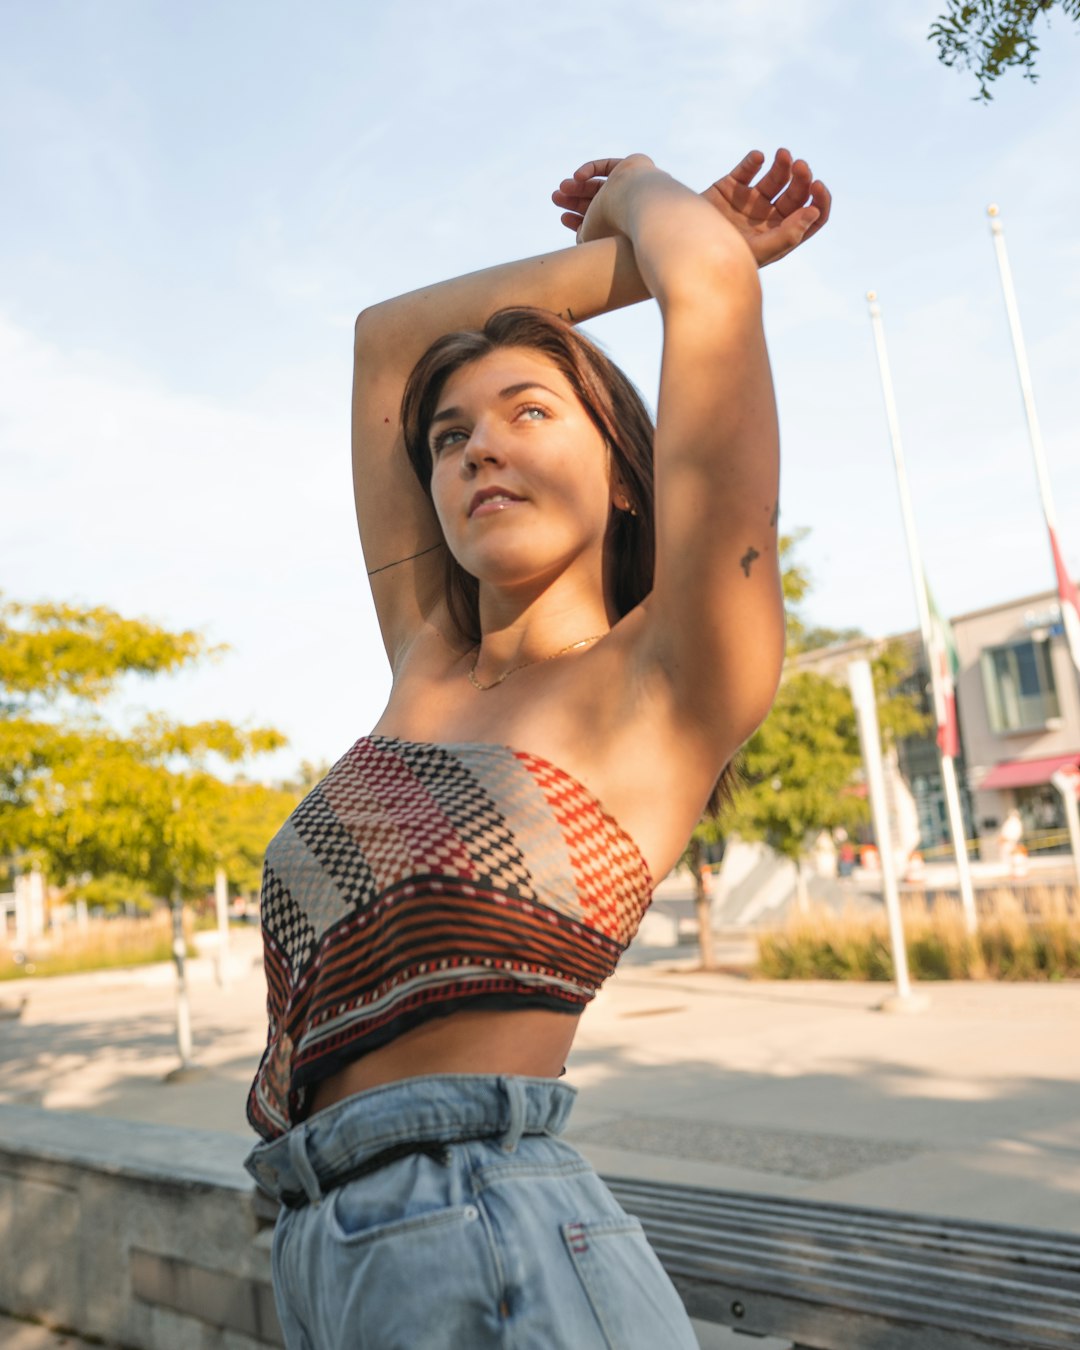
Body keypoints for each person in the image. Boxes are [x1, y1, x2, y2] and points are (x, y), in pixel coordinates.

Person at [244, 147, 830, 1348]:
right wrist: (623, 264)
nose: (475, 450)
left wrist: (645, 196)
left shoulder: (668, 679)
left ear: (628, 474)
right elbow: (387, 342)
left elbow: (713, 287)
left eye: (529, 413)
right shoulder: (423, 661)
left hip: (488, 1237)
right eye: (451, 437)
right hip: (316, 1236)